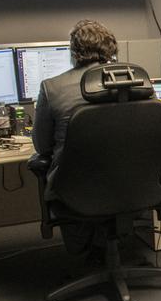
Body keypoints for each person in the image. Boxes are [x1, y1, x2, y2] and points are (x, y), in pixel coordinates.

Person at [31, 19, 119, 256]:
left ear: (73, 51)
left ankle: (84, 254)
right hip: (132, 183)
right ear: (111, 48)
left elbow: (42, 145)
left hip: (75, 188)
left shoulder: (53, 88)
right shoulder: (132, 79)